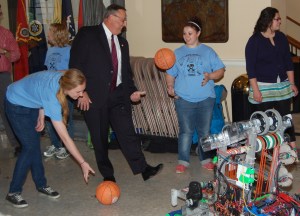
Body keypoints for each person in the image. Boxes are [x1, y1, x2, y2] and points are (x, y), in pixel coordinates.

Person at [69, 4, 163, 183]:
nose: (124, 24)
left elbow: (125, 73)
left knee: (127, 132)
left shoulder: (122, 42)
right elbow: (75, 65)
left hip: (118, 95)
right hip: (94, 97)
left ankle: (143, 168)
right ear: (109, 18)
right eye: (122, 19)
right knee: (100, 138)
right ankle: (107, 174)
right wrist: (82, 93)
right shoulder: (87, 35)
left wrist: (132, 92)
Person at [4, 69, 95, 208]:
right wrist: (82, 162)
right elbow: (64, 138)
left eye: (83, 90)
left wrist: (41, 112)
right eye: (78, 92)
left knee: (34, 146)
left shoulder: (64, 76)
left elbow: (39, 86)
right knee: (29, 148)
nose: (81, 94)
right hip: (15, 103)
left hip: (31, 102)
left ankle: (41, 185)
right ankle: (13, 192)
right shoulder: (52, 97)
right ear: (67, 87)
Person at [166, 17, 225, 173]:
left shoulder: (208, 51)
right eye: (184, 33)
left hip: (206, 99)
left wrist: (210, 76)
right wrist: (170, 86)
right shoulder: (177, 53)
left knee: (204, 132)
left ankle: (205, 159)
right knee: (185, 131)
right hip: (183, 99)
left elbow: (220, 70)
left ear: (198, 33)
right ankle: (183, 161)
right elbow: (170, 73)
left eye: (190, 33)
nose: (186, 36)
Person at [245, 7, 298, 158]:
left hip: (282, 86)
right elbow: (251, 69)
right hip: (262, 87)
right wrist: (256, 90)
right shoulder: (254, 41)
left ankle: (293, 149)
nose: (280, 21)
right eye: (277, 19)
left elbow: (288, 62)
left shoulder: (281, 38)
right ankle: (265, 153)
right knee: (264, 121)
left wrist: (292, 83)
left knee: (286, 118)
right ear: (268, 21)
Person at [43, 22, 73, 160]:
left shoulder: (69, 50)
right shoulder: (49, 50)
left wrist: (58, 73)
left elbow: (73, 71)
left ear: (57, 34)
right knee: (49, 118)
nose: (48, 34)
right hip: (50, 89)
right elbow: (47, 69)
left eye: (50, 32)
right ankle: (56, 145)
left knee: (66, 118)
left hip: (64, 89)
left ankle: (67, 147)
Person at [0, 3, 21, 156]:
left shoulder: (5, 34)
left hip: (2, 77)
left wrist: (3, 51)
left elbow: (16, 55)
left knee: (7, 110)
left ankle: (16, 144)